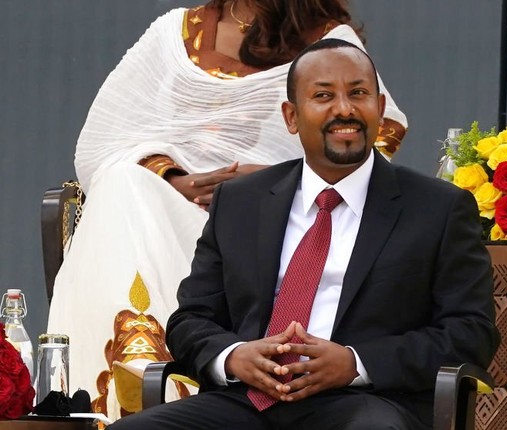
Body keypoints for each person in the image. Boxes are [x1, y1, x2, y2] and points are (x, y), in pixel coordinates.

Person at [108, 38, 500, 430]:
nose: (344, 109)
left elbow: (470, 333)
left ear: (379, 110)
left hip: (365, 403)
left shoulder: (438, 208)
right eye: (323, 96)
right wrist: (233, 356)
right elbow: (192, 318)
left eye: (358, 93)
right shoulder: (241, 202)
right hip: (245, 402)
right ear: (292, 117)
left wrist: (354, 362)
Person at [47, 0, 408, 419]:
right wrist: (172, 178)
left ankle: (157, 385)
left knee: (128, 196)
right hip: (165, 208)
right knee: (120, 184)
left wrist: (276, 183)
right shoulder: (175, 32)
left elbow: (376, 137)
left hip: (269, 230)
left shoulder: (327, 39)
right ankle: (124, 385)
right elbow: (103, 142)